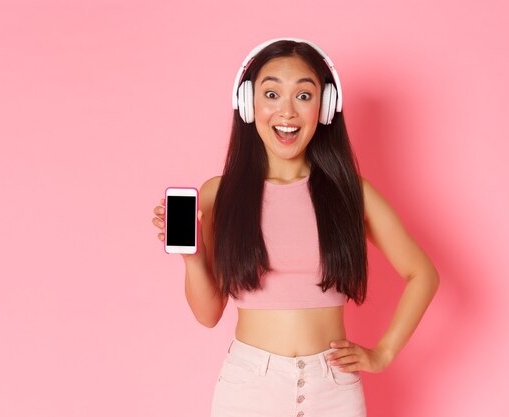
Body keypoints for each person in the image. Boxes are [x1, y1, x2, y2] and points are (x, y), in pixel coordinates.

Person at [151, 38, 439, 417]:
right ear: (248, 103)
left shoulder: (352, 193)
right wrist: (192, 258)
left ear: (325, 107)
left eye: (304, 96)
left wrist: (383, 354)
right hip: (248, 387)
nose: (286, 111)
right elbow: (208, 315)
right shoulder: (217, 194)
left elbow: (423, 274)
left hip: (333, 389)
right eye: (271, 93)